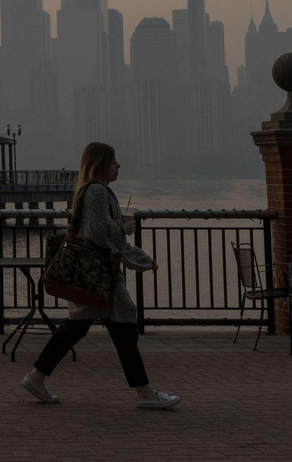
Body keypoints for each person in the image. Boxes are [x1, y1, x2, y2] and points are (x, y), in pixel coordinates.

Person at [20, 142, 181, 409]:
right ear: (100, 165)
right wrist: (124, 226)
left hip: (93, 273)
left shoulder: (101, 192)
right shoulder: (96, 192)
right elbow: (99, 233)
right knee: (122, 326)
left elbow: (113, 240)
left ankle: (36, 377)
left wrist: (143, 259)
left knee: (77, 327)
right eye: (113, 162)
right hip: (98, 274)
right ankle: (145, 394)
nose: (118, 166)